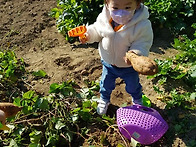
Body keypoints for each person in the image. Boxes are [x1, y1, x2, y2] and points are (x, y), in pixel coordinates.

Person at [80, 0, 153, 115]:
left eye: (128, 7)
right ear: (107, 4)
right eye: (115, 8)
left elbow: (143, 42)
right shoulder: (104, 18)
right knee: (105, 84)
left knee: (133, 86)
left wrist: (135, 54)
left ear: (137, 5)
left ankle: (137, 100)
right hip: (109, 63)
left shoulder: (141, 25)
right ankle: (104, 99)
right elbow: (96, 30)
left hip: (128, 67)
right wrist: (88, 35)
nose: (121, 13)